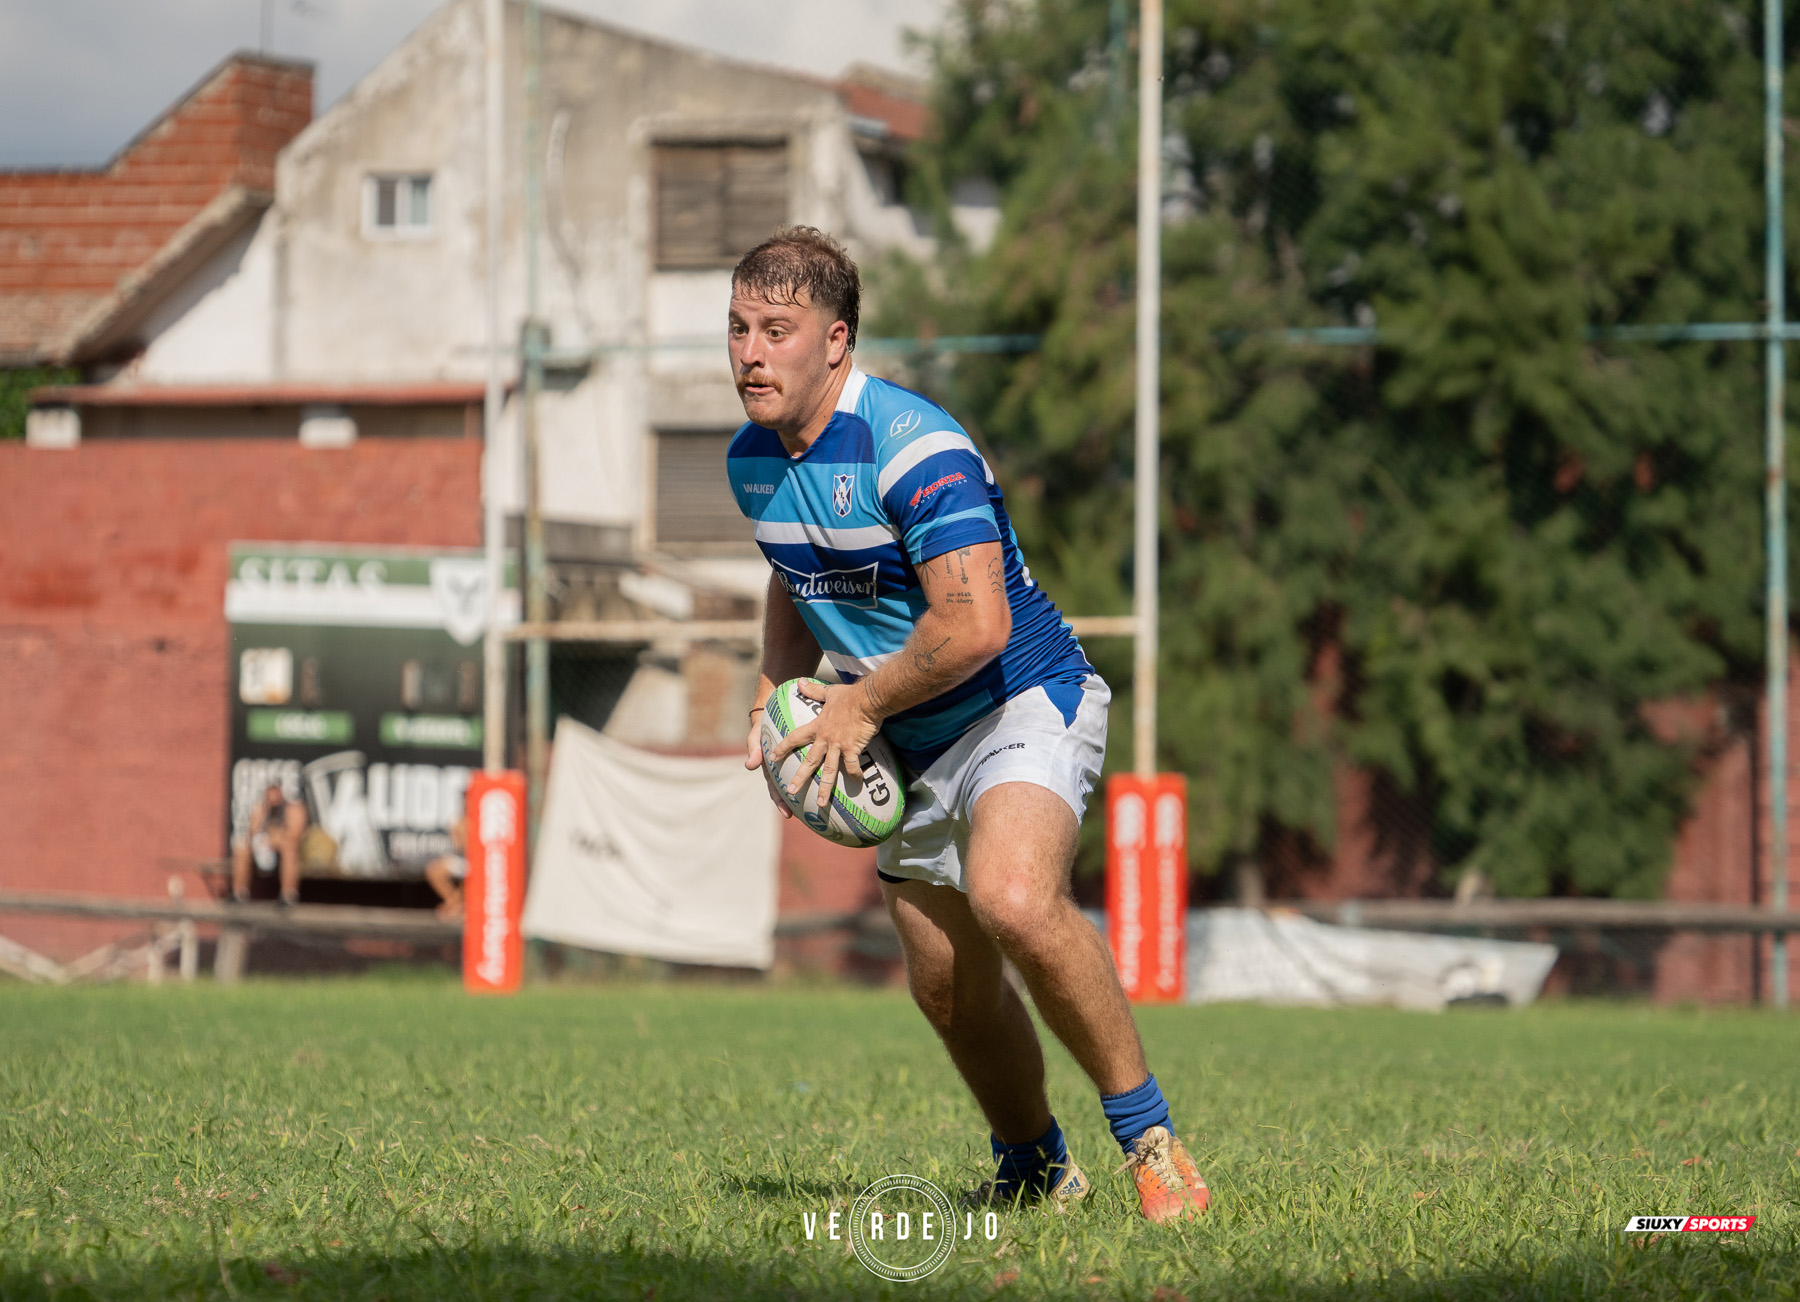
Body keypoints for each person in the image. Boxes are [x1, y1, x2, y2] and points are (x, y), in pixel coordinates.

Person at [728, 227, 1210, 1222]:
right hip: (904, 737)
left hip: (1016, 700)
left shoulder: (917, 449)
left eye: (777, 330)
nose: (750, 352)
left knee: (1016, 898)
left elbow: (977, 626)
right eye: (737, 329)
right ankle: (1036, 1167)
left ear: (837, 341)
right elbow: (793, 568)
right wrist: (774, 690)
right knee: (947, 985)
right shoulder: (752, 462)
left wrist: (853, 704)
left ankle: (1149, 1141)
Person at [231, 782, 306, 905]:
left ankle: (288, 895)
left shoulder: (292, 809)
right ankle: (239, 893)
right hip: (262, 851)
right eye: (270, 795)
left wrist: (275, 839)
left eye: (275, 794)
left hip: (283, 850)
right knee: (241, 847)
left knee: (290, 850)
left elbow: (294, 835)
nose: (273, 799)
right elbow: (252, 832)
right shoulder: (261, 809)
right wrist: (261, 817)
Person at [424, 815, 469, 920]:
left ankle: (456, 905)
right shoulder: (460, 821)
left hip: (483, 861)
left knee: (472, 877)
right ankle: (456, 904)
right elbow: (458, 846)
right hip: (465, 858)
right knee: (434, 871)